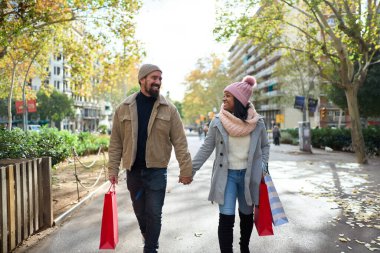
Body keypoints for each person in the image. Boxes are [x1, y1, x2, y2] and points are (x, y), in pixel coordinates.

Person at [107, 64, 193, 253]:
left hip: (157, 172)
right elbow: (115, 143)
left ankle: (151, 248)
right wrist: (112, 169)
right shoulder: (123, 108)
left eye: (160, 79)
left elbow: (180, 142)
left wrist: (186, 170)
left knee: (154, 213)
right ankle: (148, 237)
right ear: (142, 79)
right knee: (140, 213)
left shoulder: (169, 109)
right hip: (134, 172)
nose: (158, 82)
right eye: (154, 78)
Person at [192, 76, 270, 253]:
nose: (224, 98)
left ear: (240, 100)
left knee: (246, 216)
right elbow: (206, 147)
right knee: (226, 219)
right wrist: (191, 170)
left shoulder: (258, 123)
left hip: (249, 178)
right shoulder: (218, 121)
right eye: (224, 95)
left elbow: (265, 146)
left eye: (228, 95)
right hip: (226, 177)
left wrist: (263, 166)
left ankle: (244, 247)